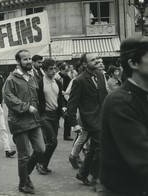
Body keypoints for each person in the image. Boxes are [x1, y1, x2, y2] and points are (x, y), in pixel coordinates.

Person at [99, 35, 148, 196]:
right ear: (133, 63)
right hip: (122, 190)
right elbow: (143, 160)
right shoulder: (120, 102)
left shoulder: (141, 95)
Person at [3, 49, 45, 194]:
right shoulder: (11, 79)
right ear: (18, 62)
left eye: (29, 59)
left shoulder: (32, 77)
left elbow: (37, 97)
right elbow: (8, 98)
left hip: (34, 121)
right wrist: (27, 107)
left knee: (41, 149)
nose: (28, 62)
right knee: (24, 155)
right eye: (25, 59)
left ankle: (25, 175)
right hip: (19, 122)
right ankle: (23, 183)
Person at [67, 53, 108, 187]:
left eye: (97, 59)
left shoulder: (101, 75)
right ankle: (96, 178)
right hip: (89, 119)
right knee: (100, 147)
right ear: (85, 64)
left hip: (102, 117)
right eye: (93, 60)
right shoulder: (79, 81)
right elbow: (72, 104)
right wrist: (74, 124)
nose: (97, 62)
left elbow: (104, 95)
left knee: (94, 148)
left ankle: (83, 174)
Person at [36, 58, 65, 175]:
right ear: (44, 70)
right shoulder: (40, 83)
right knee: (53, 141)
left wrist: (63, 107)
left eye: (55, 68)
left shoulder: (58, 82)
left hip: (55, 115)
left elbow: (60, 98)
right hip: (45, 116)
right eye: (51, 69)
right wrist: (39, 115)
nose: (54, 71)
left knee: (51, 142)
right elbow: (37, 100)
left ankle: (43, 164)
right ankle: (40, 163)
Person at [55, 61, 73, 141]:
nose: (67, 72)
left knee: (67, 117)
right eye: (65, 71)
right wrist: (61, 91)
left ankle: (67, 135)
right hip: (57, 99)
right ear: (61, 69)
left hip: (66, 99)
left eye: (67, 71)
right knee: (56, 118)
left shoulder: (67, 77)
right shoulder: (56, 77)